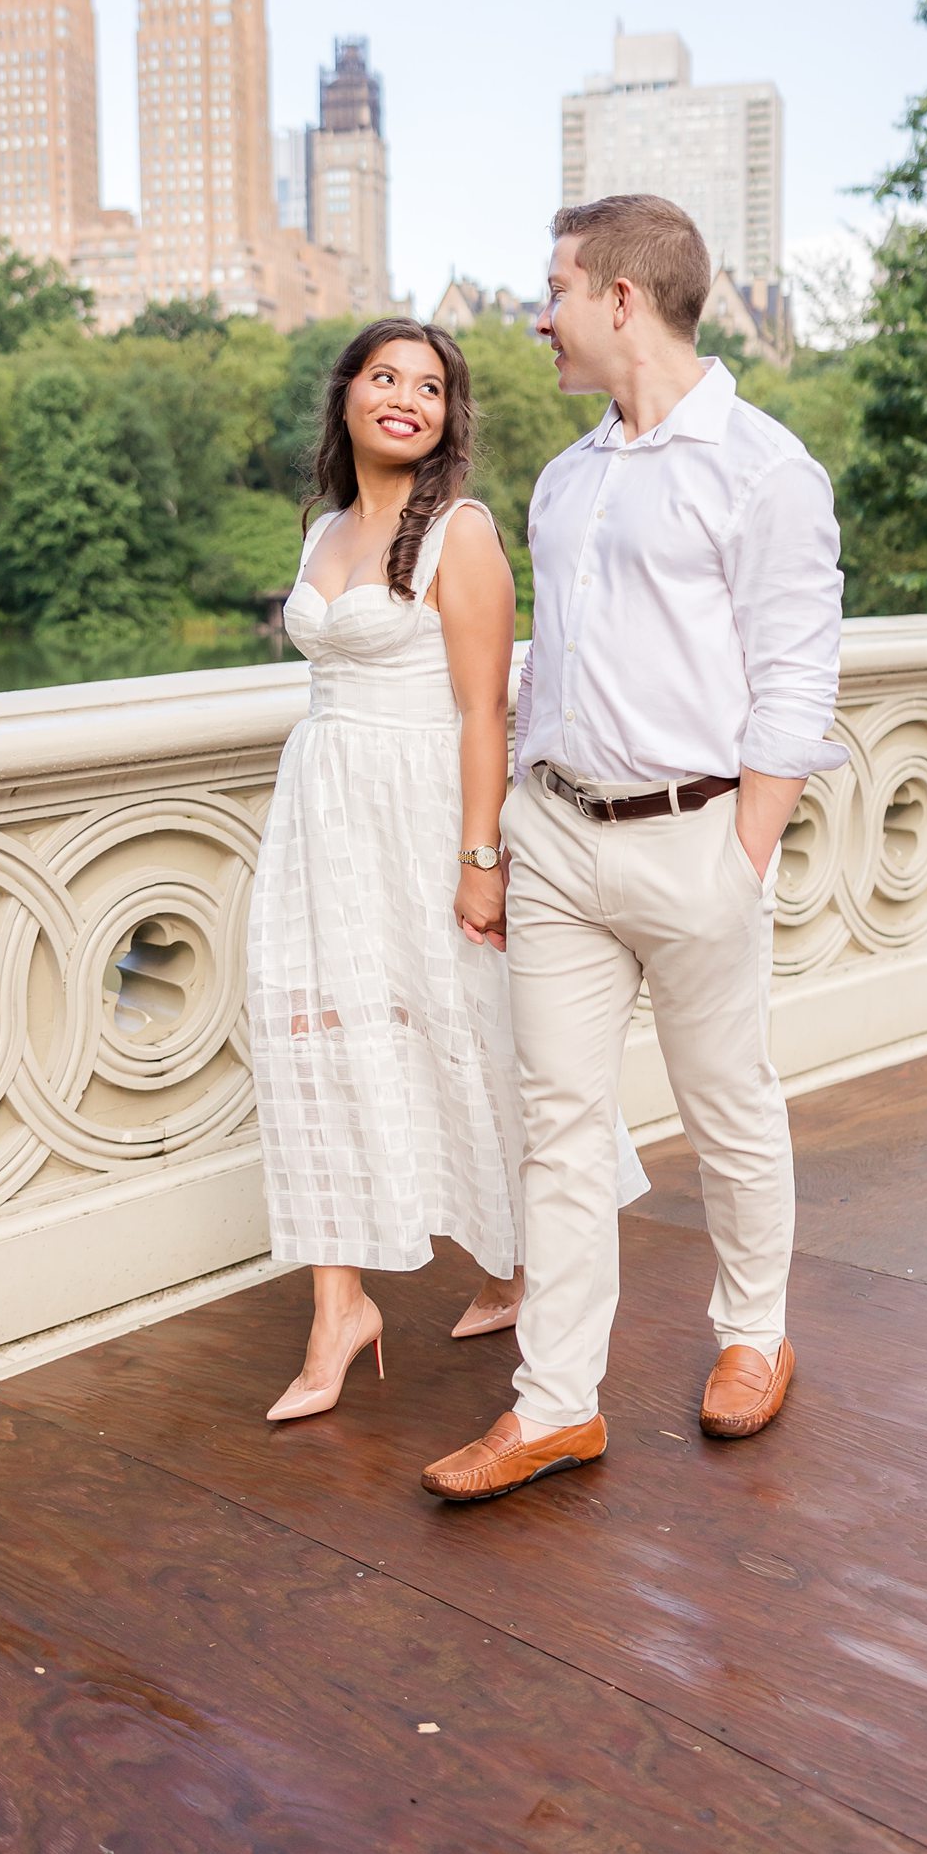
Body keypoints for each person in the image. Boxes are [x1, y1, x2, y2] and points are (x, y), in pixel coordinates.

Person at [422, 196, 847, 1502]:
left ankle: (753, 1336)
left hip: (695, 841)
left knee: (728, 1105)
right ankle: (554, 1406)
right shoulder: (565, 479)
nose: (535, 318)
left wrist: (743, 850)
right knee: (555, 1127)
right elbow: (552, 669)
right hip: (558, 840)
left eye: (552, 290)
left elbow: (794, 681)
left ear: (620, 297)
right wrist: (499, 839)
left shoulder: (766, 469)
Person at [246, 317, 646, 1423]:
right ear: (346, 398)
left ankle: (519, 1262)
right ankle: (339, 1311)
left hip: (424, 807)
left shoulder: (458, 532)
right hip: (323, 809)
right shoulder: (324, 527)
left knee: (471, 1035)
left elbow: (486, 710)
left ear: (446, 416)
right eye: (384, 378)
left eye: (428, 386)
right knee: (313, 1042)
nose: (404, 399)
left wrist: (481, 860)